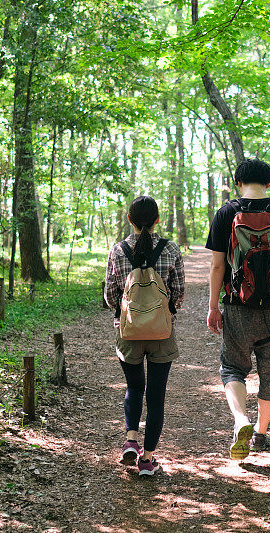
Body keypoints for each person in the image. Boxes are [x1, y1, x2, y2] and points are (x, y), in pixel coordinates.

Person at [205, 158, 270, 460]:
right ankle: (260, 434)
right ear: (269, 183)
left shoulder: (226, 213)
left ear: (238, 182)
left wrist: (213, 306)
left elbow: (218, 265)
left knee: (233, 367)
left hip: (238, 307)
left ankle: (240, 420)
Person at [104, 196, 185, 476]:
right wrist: (164, 310)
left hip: (128, 332)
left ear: (129, 219)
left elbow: (110, 296)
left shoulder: (118, 251)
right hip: (162, 332)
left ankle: (130, 440)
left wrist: (127, 311)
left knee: (134, 387)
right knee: (157, 394)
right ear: (158, 220)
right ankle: (148, 460)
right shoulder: (171, 249)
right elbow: (179, 294)